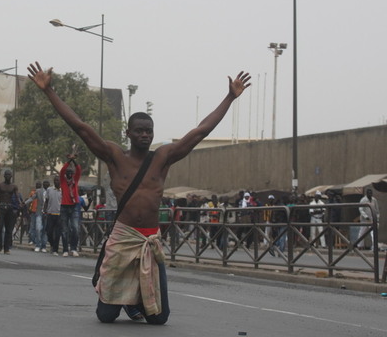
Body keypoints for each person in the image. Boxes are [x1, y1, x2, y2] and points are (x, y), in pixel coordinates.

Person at [28, 61, 250, 324]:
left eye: (149, 131)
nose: (145, 135)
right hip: (123, 238)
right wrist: (48, 91)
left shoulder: (163, 157)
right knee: (105, 316)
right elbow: (81, 127)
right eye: (140, 131)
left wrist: (229, 97)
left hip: (150, 240)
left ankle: (135, 301)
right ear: (129, 133)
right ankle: (124, 302)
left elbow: (200, 131)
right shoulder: (114, 157)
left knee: (159, 319)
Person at [59, 154, 82, 257]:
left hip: (74, 206)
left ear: (73, 174)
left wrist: (74, 161)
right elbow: (62, 170)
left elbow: (79, 170)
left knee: (75, 228)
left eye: (71, 173)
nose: (69, 174)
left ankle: (73, 248)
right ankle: (65, 249)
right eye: (67, 173)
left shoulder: (75, 181)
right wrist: (69, 161)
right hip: (64, 206)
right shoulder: (63, 181)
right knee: (64, 230)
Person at [0, 169, 20, 254]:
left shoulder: (14, 186)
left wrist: (19, 205)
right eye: (6, 175)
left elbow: (17, 197)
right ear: (4, 176)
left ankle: (6, 248)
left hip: (10, 208)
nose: (8, 176)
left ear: (11, 176)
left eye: (9, 175)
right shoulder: (0, 185)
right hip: (1, 207)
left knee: (9, 229)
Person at [44, 176, 62, 255]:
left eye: (58, 180)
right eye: (55, 180)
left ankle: (55, 249)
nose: (56, 182)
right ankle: (52, 244)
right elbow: (46, 201)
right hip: (50, 213)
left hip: (59, 214)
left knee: (57, 233)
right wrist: (45, 210)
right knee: (49, 231)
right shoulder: (49, 189)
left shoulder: (63, 191)